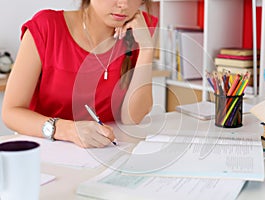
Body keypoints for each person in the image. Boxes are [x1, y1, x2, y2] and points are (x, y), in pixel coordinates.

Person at [1, 0, 158, 148]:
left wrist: (146, 49)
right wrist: (69, 130)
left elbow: (131, 118)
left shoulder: (139, 30)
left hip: (106, 153)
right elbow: (11, 112)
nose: (124, 4)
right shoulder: (47, 26)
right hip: (48, 152)